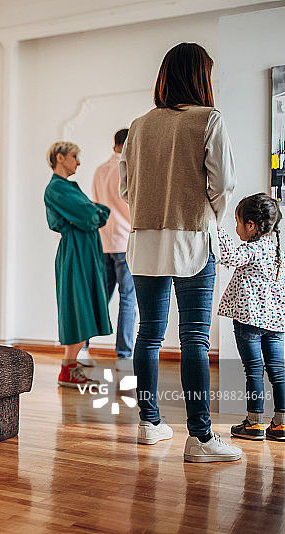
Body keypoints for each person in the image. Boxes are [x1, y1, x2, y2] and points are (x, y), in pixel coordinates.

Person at [120, 42, 241, 462]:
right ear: (200, 76)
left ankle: (149, 423)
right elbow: (223, 184)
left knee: (148, 334)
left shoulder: (138, 126)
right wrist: (211, 217)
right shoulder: (209, 119)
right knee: (194, 337)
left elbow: (126, 188)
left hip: (144, 239)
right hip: (193, 238)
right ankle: (201, 438)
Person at [44, 141, 112, 388]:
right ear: (60, 157)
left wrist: (93, 212)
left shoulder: (68, 187)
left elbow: (97, 213)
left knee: (86, 303)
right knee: (78, 305)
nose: (79, 162)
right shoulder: (56, 188)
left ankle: (70, 368)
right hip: (75, 250)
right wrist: (93, 212)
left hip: (85, 249)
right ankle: (68, 369)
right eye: (74, 156)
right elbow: (90, 215)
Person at [217, 193, 284, 441]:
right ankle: (281, 425)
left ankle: (254, 424)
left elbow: (229, 257)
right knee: (278, 371)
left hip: (249, 322)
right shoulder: (276, 249)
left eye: (237, 222)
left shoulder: (252, 249)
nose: (236, 228)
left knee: (254, 370)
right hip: (276, 322)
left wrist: (219, 230)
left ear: (251, 225)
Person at [92, 128, 136, 372]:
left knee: (100, 297)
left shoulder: (100, 170)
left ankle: (82, 346)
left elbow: (96, 205)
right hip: (124, 241)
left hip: (104, 240)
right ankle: (123, 355)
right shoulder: (129, 169)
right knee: (128, 298)